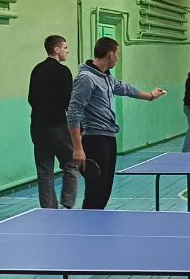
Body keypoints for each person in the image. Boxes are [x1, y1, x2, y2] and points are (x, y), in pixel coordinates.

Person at [68, 37, 167, 210]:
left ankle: (96, 222)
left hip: (108, 138)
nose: (118, 58)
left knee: (104, 190)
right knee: (95, 192)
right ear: (110, 54)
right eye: (117, 54)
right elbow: (73, 111)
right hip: (95, 140)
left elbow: (126, 89)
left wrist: (151, 96)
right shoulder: (86, 78)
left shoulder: (106, 78)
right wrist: (77, 147)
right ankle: (88, 223)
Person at [28, 35, 78, 209]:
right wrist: (77, 128)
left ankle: (49, 210)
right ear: (56, 49)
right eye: (65, 47)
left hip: (37, 128)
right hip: (58, 127)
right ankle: (68, 203)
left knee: (44, 172)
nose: (67, 51)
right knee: (71, 165)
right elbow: (68, 102)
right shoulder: (63, 71)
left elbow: (31, 99)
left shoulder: (37, 69)